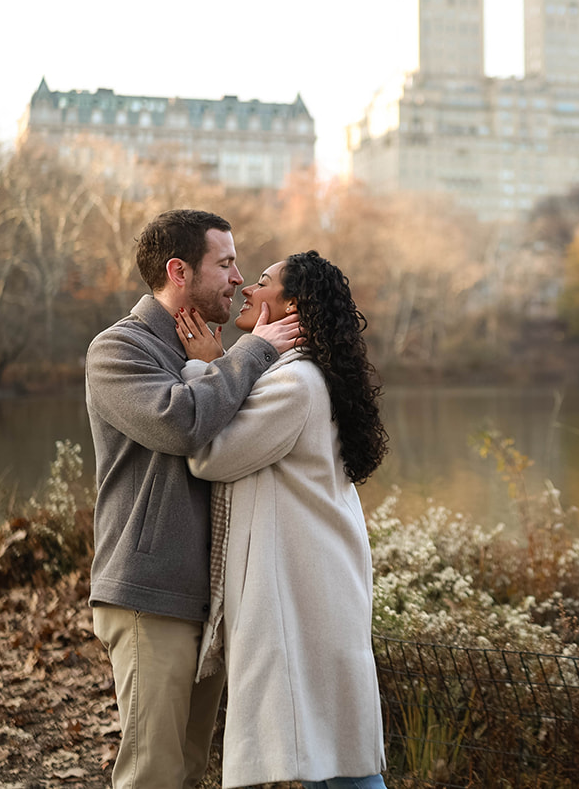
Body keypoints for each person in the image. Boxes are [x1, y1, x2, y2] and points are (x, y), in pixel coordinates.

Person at [85, 209, 302, 789]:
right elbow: (181, 425)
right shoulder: (117, 351)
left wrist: (223, 361)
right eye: (226, 263)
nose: (238, 278)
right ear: (179, 271)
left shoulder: (214, 353)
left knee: (186, 771)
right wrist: (253, 351)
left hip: (209, 595)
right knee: (152, 775)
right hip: (148, 592)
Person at [175, 250, 390, 789]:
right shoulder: (307, 375)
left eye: (264, 282)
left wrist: (207, 367)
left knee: (334, 763)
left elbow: (209, 455)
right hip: (317, 587)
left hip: (307, 594)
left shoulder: (294, 385)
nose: (248, 288)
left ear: (291, 304)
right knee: (329, 759)